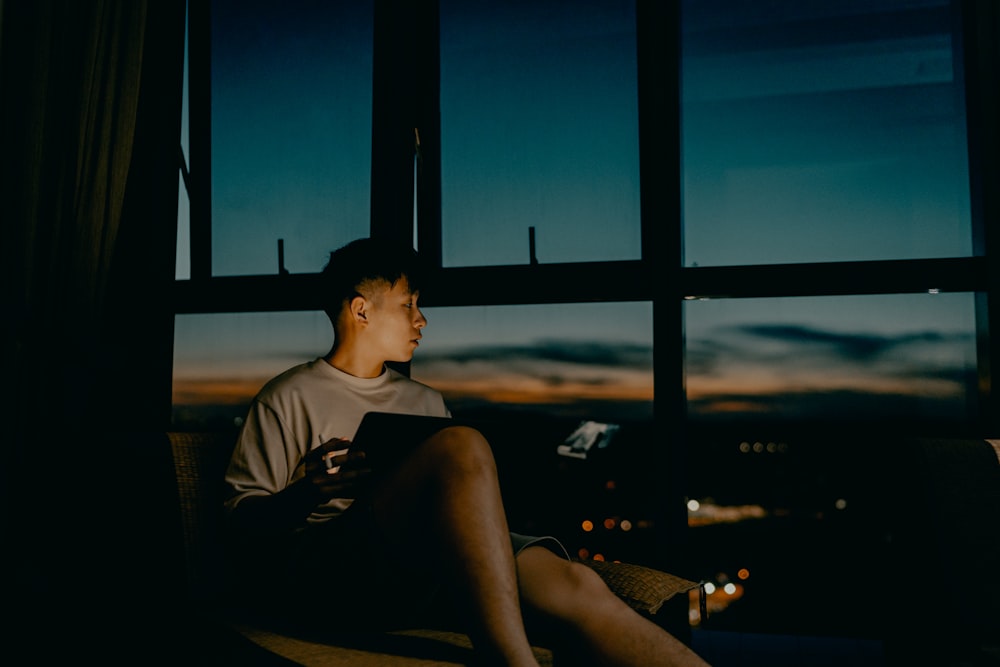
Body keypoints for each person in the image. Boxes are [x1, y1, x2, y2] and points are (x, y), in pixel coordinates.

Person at [222, 237, 711, 666]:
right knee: (460, 442)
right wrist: (307, 492)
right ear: (362, 310)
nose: (422, 320)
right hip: (332, 576)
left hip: (422, 563)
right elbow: (238, 523)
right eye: (408, 305)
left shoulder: (422, 400)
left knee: (579, 587)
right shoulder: (288, 395)